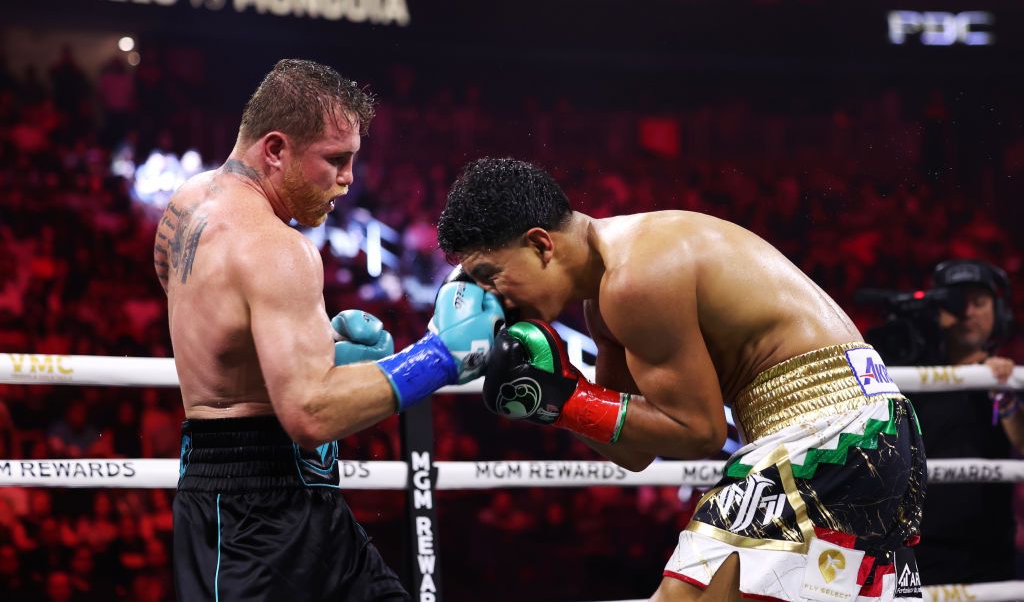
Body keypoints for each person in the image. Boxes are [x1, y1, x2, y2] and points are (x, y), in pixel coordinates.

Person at [438, 157, 926, 602]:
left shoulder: (636, 279)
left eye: (490, 274)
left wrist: (566, 398)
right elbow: (634, 449)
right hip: (863, 423)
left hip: (828, 431)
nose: (490, 296)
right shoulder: (605, 299)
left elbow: (700, 431)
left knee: (683, 598)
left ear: (541, 244)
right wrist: (551, 402)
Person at [154, 59, 504, 602]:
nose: (347, 179)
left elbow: (214, 321)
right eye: (335, 160)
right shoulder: (279, 247)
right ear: (275, 149)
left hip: (267, 497)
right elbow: (310, 415)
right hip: (255, 517)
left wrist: (322, 353)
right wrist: (440, 357)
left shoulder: (186, 205)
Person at [907, 259, 1019, 585]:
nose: (967, 312)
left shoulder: (1008, 381)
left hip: (987, 551)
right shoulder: (910, 377)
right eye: (956, 302)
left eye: (979, 302)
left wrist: (1003, 392)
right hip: (918, 548)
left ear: (997, 312)